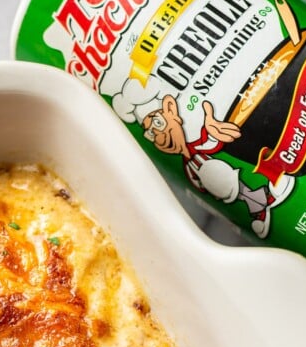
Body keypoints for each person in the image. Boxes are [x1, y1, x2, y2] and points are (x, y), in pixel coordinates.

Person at [112, 81, 295, 238]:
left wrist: (211, 125)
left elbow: (210, 141)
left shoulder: (197, 142)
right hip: (289, 245)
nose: (159, 135)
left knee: (224, 172)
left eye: (158, 124)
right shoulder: (186, 165)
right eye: (152, 134)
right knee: (219, 181)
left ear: (171, 110)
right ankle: (261, 207)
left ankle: (269, 195)